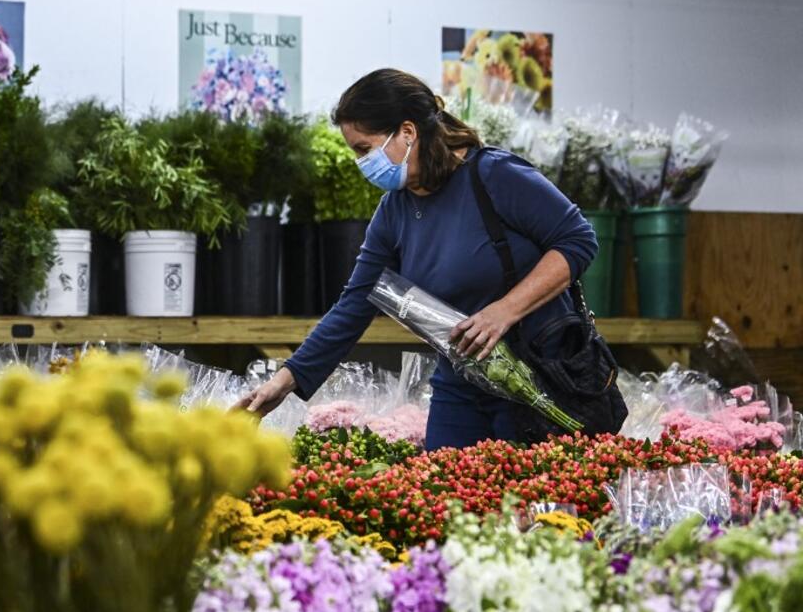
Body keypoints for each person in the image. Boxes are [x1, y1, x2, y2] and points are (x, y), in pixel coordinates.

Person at [232, 69, 598, 449]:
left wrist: (504, 311)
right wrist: (285, 381)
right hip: (460, 382)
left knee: (532, 499)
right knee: (443, 495)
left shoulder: (494, 176)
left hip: (536, 377)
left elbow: (577, 240)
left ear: (407, 132)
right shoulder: (395, 210)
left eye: (364, 148)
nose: (361, 162)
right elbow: (355, 302)